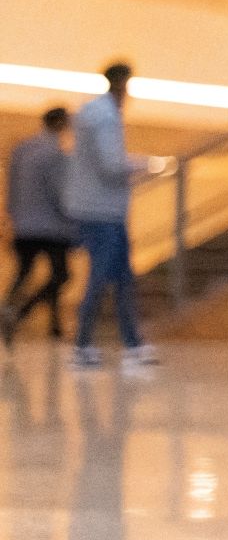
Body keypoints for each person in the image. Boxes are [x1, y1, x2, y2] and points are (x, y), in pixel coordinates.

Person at [64, 65, 151, 373]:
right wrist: (145, 165)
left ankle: (132, 343)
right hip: (103, 212)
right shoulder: (105, 117)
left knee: (122, 278)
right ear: (123, 84)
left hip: (98, 209)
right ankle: (83, 344)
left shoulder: (94, 113)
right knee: (101, 278)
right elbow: (111, 165)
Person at [5, 108, 75, 346]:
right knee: (61, 274)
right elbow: (59, 192)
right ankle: (21, 310)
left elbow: (11, 187)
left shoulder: (22, 149)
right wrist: (73, 218)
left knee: (24, 271)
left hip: (24, 224)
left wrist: (12, 216)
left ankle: (16, 310)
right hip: (51, 226)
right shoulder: (56, 153)